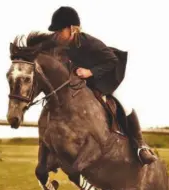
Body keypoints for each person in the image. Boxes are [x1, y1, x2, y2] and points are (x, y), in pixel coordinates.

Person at [48, 6, 157, 165]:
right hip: (83, 82)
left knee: (124, 104)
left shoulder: (91, 43)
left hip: (108, 75)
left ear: (72, 29)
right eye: (55, 31)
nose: (56, 35)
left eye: (59, 30)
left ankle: (140, 145)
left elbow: (112, 61)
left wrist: (90, 72)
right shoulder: (61, 45)